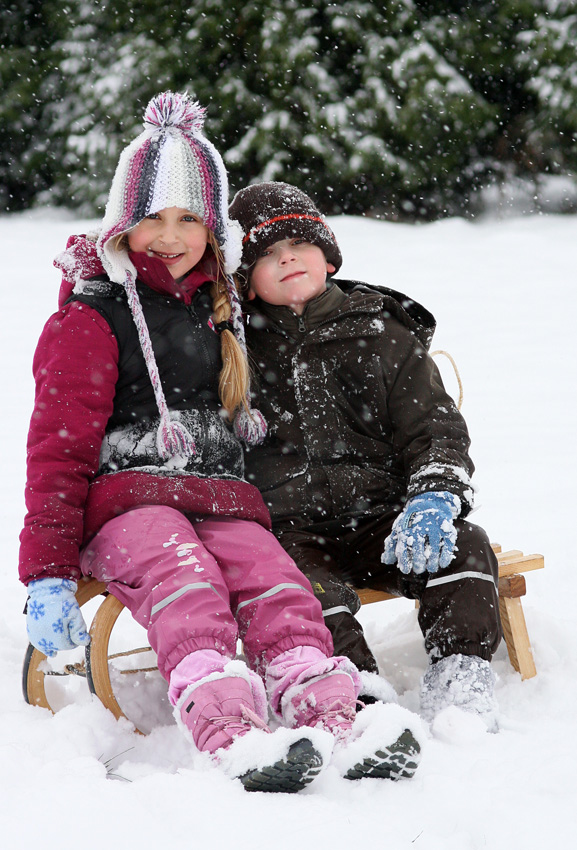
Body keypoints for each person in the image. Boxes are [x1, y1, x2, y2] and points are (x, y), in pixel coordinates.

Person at [19, 94, 423, 793]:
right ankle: (230, 733)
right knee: (188, 587)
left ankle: (333, 718)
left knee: (277, 586)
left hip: (221, 497)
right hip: (127, 507)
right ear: (122, 222)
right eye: (152, 218)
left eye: (189, 219)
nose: (170, 236)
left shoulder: (223, 309)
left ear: (214, 230)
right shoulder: (93, 316)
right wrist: (47, 570)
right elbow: (56, 449)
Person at [228, 181, 503, 731]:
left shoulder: (380, 330)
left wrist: (432, 495)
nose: (287, 258)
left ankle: (460, 674)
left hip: (383, 517)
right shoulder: (233, 348)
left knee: (464, 548)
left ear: (327, 258)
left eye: (300, 245)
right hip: (288, 529)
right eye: (266, 255)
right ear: (247, 285)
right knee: (300, 596)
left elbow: (434, 428)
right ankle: (357, 692)